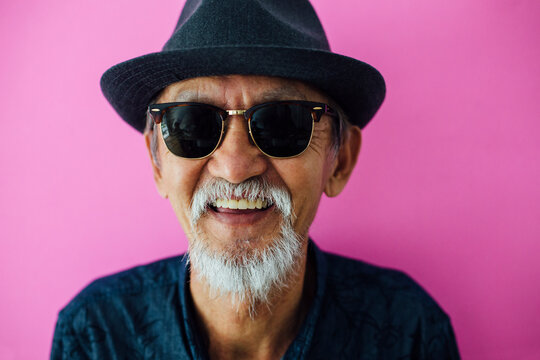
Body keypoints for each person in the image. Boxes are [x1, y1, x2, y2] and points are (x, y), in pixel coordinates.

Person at [51, 0, 460, 359]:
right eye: (190, 123)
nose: (235, 166)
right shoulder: (94, 336)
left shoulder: (410, 334)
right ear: (158, 163)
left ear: (340, 161)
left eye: (283, 122)